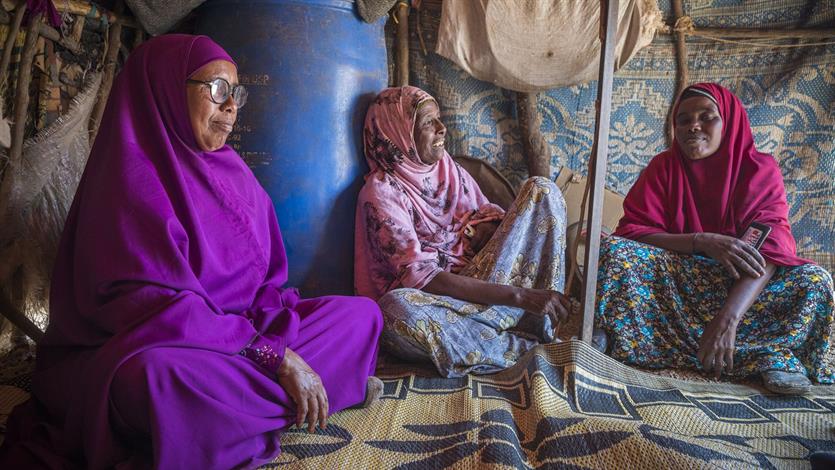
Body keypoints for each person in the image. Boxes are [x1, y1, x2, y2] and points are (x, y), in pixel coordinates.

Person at [0, 34, 383, 468]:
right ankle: (308, 395)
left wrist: (271, 336)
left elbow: (268, 282)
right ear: (164, 88)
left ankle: (248, 413)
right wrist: (272, 355)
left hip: (242, 339)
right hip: (159, 346)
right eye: (218, 90)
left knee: (362, 316)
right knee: (158, 383)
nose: (231, 106)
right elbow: (154, 310)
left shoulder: (234, 173)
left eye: (236, 94)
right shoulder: (129, 179)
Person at [595, 82, 834, 394]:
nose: (693, 126)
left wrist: (728, 319)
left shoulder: (759, 169)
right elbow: (632, 232)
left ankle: (769, 354)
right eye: (683, 120)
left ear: (729, 122)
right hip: (682, 285)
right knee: (614, 252)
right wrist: (701, 241)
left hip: (742, 291)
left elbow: (772, 249)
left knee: (814, 281)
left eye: (707, 117)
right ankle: (756, 356)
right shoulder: (663, 168)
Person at [354, 86, 571, 378]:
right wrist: (520, 297)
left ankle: (537, 324)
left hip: (491, 287)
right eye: (428, 122)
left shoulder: (447, 168)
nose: (442, 129)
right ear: (398, 134)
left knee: (541, 190)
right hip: (447, 304)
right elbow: (422, 278)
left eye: (439, 119)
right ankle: (523, 347)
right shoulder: (381, 192)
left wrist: (486, 229)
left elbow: (487, 215)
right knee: (395, 312)